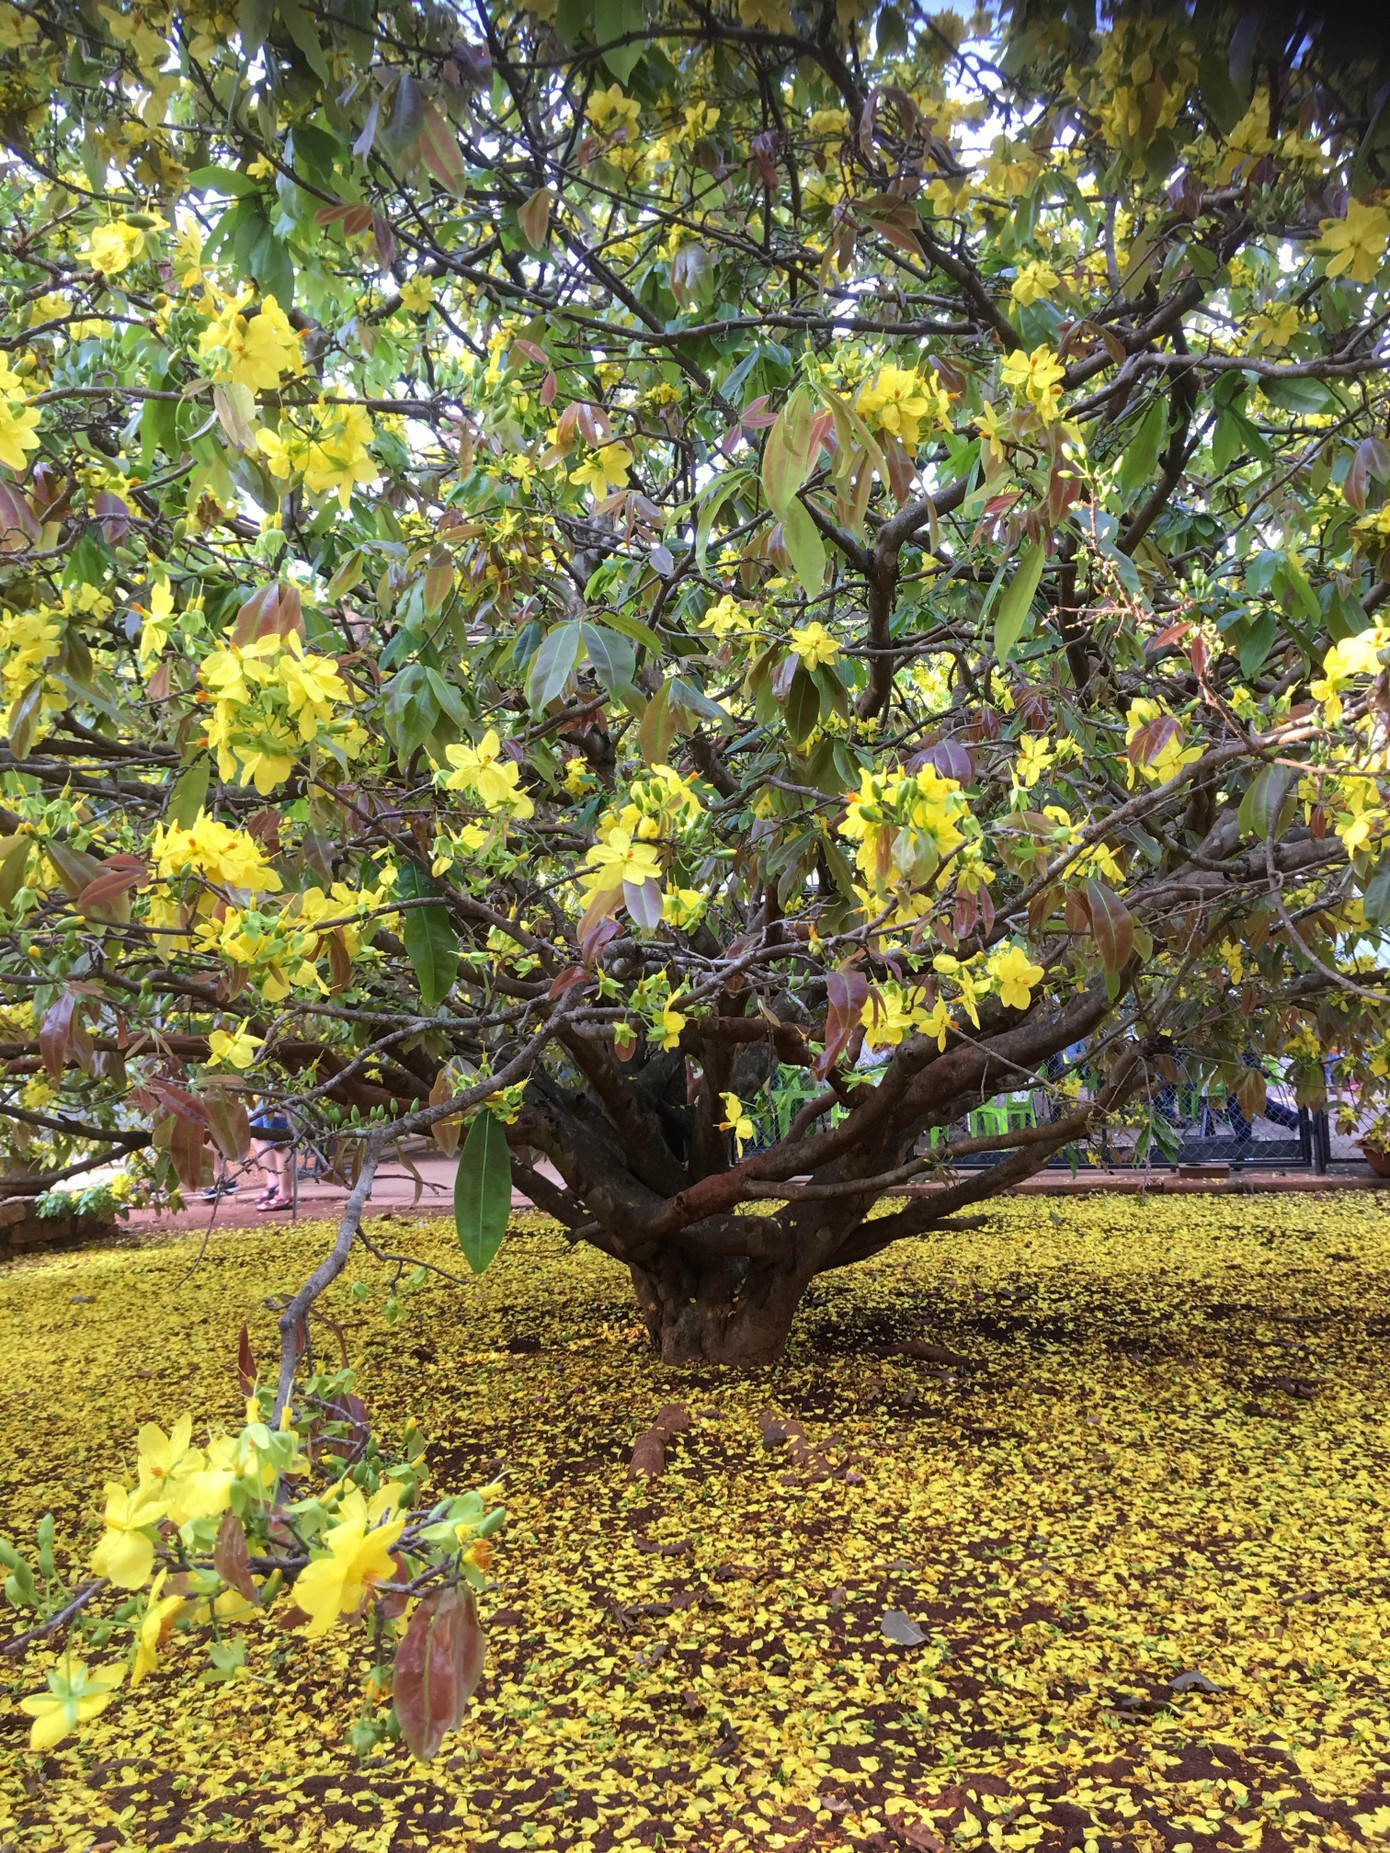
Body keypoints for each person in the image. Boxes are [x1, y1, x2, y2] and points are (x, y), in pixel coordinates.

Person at [250, 1104, 294, 1211]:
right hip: (264, 1097)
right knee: (257, 1135)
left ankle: (285, 1194)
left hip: (279, 1098)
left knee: (280, 1143)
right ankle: (274, 1183)